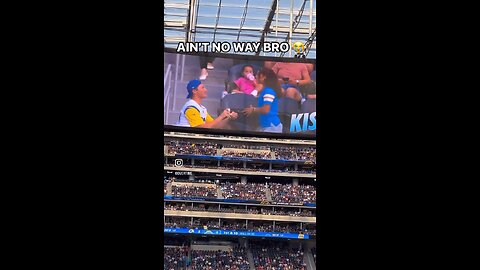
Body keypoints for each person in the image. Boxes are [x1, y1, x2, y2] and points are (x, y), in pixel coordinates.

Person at [241, 68, 283, 133]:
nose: (256, 76)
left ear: (263, 77)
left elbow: (266, 109)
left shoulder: (268, 91)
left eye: (258, 75)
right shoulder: (265, 90)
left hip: (271, 126)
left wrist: (253, 109)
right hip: (265, 125)